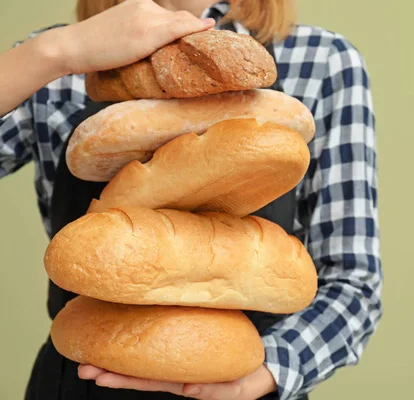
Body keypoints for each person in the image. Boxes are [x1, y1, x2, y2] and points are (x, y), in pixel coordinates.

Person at [0, 0, 383, 399]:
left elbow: (353, 283)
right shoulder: (56, 61)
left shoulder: (321, 59)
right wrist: (54, 51)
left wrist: (261, 373)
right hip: (80, 379)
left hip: (244, 383)